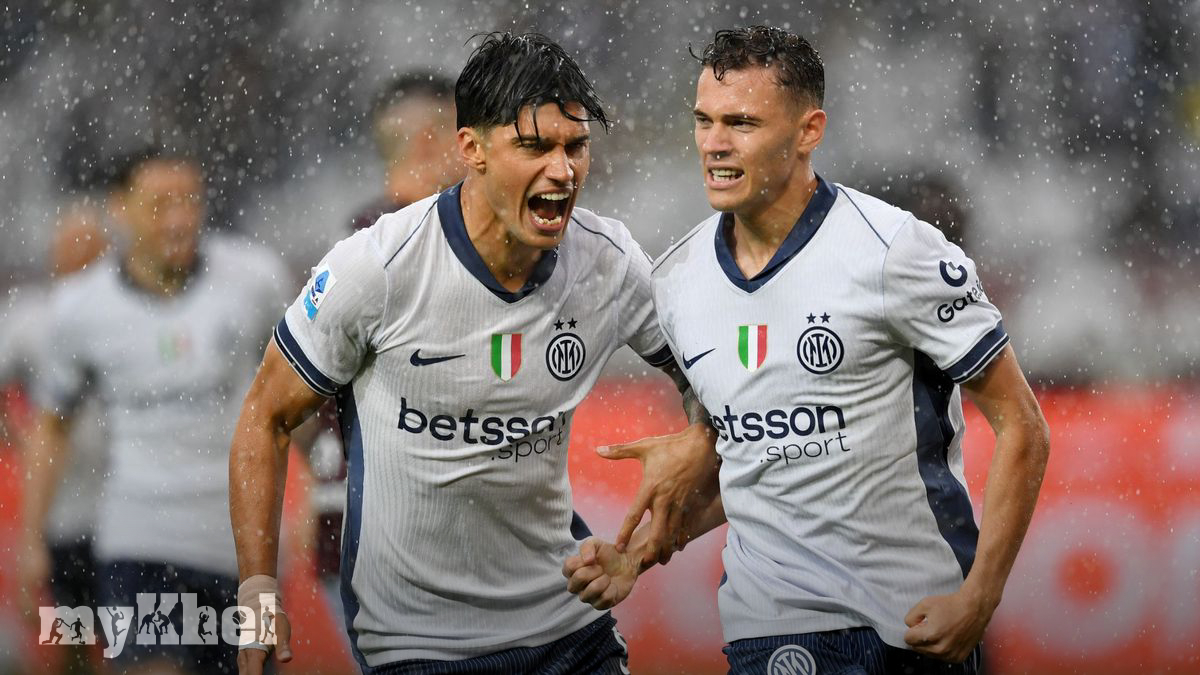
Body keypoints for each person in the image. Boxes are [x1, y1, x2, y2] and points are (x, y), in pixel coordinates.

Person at [564, 26, 1051, 674]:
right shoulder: (677, 280)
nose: (714, 143)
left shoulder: (892, 252)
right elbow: (754, 466)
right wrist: (639, 552)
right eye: (705, 121)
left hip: (910, 624)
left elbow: (1023, 426)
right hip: (770, 628)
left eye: (741, 123)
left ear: (807, 131)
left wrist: (980, 596)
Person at [229, 31, 714, 675]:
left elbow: (723, 388)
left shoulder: (608, 262)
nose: (563, 171)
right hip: (418, 648)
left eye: (575, 146)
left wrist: (700, 438)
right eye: (534, 147)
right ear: (471, 149)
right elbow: (265, 416)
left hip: (568, 628)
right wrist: (258, 593)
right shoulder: (379, 266)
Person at [24, 148, 289, 674]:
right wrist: (32, 538)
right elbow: (52, 425)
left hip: (242, 547)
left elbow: (292, 400)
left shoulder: (255, 280)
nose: (179, 218)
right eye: (160, 204)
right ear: (119, 208)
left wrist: (320, 485)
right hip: (139, 539)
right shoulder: (80, 307)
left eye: (190, 201)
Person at [305, 70, 465, 631]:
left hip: (353, 522)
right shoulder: (406, 245)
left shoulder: (357, 242)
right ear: (431, 142)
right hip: (397, 534)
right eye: (471, 134)